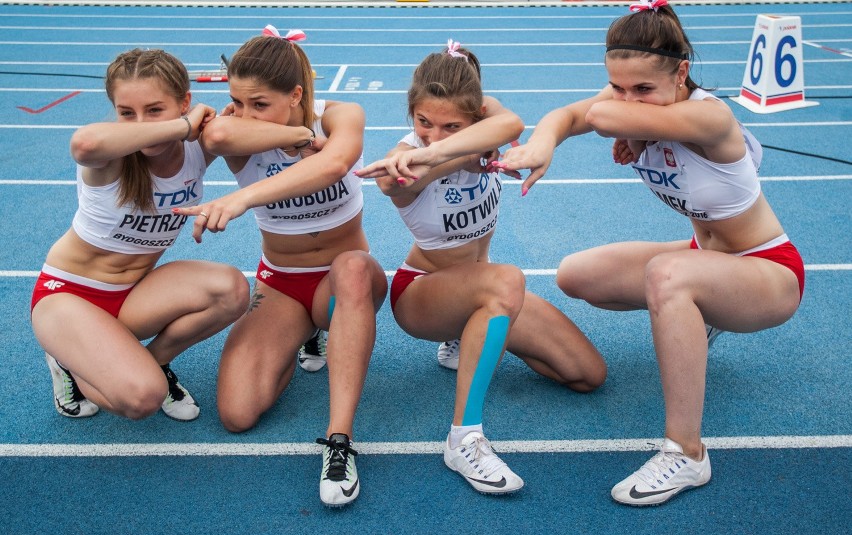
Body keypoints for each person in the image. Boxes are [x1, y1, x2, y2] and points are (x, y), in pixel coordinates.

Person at [495, 0, 805, 506]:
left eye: (642, 89)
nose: (628, 98)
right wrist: (543, 144)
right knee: (577, 275)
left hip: (768, 269)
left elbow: (593, 113)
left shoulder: (710, 117)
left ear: (682, 72)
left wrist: (623, 122)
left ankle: (687, 453)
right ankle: (702, 312)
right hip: (704, 254)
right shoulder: (635, 108)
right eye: (618, 86)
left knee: (667, 276)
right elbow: (571, 115)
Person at [356, 40, 607, 496]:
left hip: (480, 289)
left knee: (587, 374)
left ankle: (472, 336)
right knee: (507, 279)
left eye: (452, 125)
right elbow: (394, 181)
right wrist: (446, 155)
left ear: (474, 117)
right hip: (423, 295)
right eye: (423, 122)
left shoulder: (490, 130)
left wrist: (471, 145)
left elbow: (511, 123)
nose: (433, 136)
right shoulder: (407, 156)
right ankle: (464, 439)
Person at [174, 25, 387, 508]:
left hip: (344, 280)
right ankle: (300, 336)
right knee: (236, 413)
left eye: (260, 103)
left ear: (296, 94)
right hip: (283, 283)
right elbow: (223, 131)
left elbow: (333, 165)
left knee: (352, 267)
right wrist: (289, 133)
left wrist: (243, 196)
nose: (245, 113)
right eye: (238, 101)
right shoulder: (237, 132)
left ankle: (339, 442)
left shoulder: (339, 115)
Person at [31, 48, 250, 423]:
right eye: (126, 113)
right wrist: (182, 126)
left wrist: (303, 135)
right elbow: (84, 145)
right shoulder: (110, 157)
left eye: (154, 109)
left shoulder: (197, 149)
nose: (138, 123)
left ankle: (153, 361)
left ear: (185, 101)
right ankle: (68, 361)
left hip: (134, 294)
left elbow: (244, 126)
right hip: (69, 297)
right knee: (143, 398)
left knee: (232, 291)